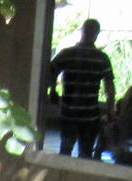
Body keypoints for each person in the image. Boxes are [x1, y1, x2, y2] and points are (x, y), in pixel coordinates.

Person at [48, 19, 116, 160]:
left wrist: (53, 91)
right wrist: (110, 111)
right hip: (89, 115)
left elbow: (50, 72)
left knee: (65, 151)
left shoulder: (67, 54)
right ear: (96, 34)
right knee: (85, 155)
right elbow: (109, 88)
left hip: (68, 112)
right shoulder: (102, 59)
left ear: (82, 31)